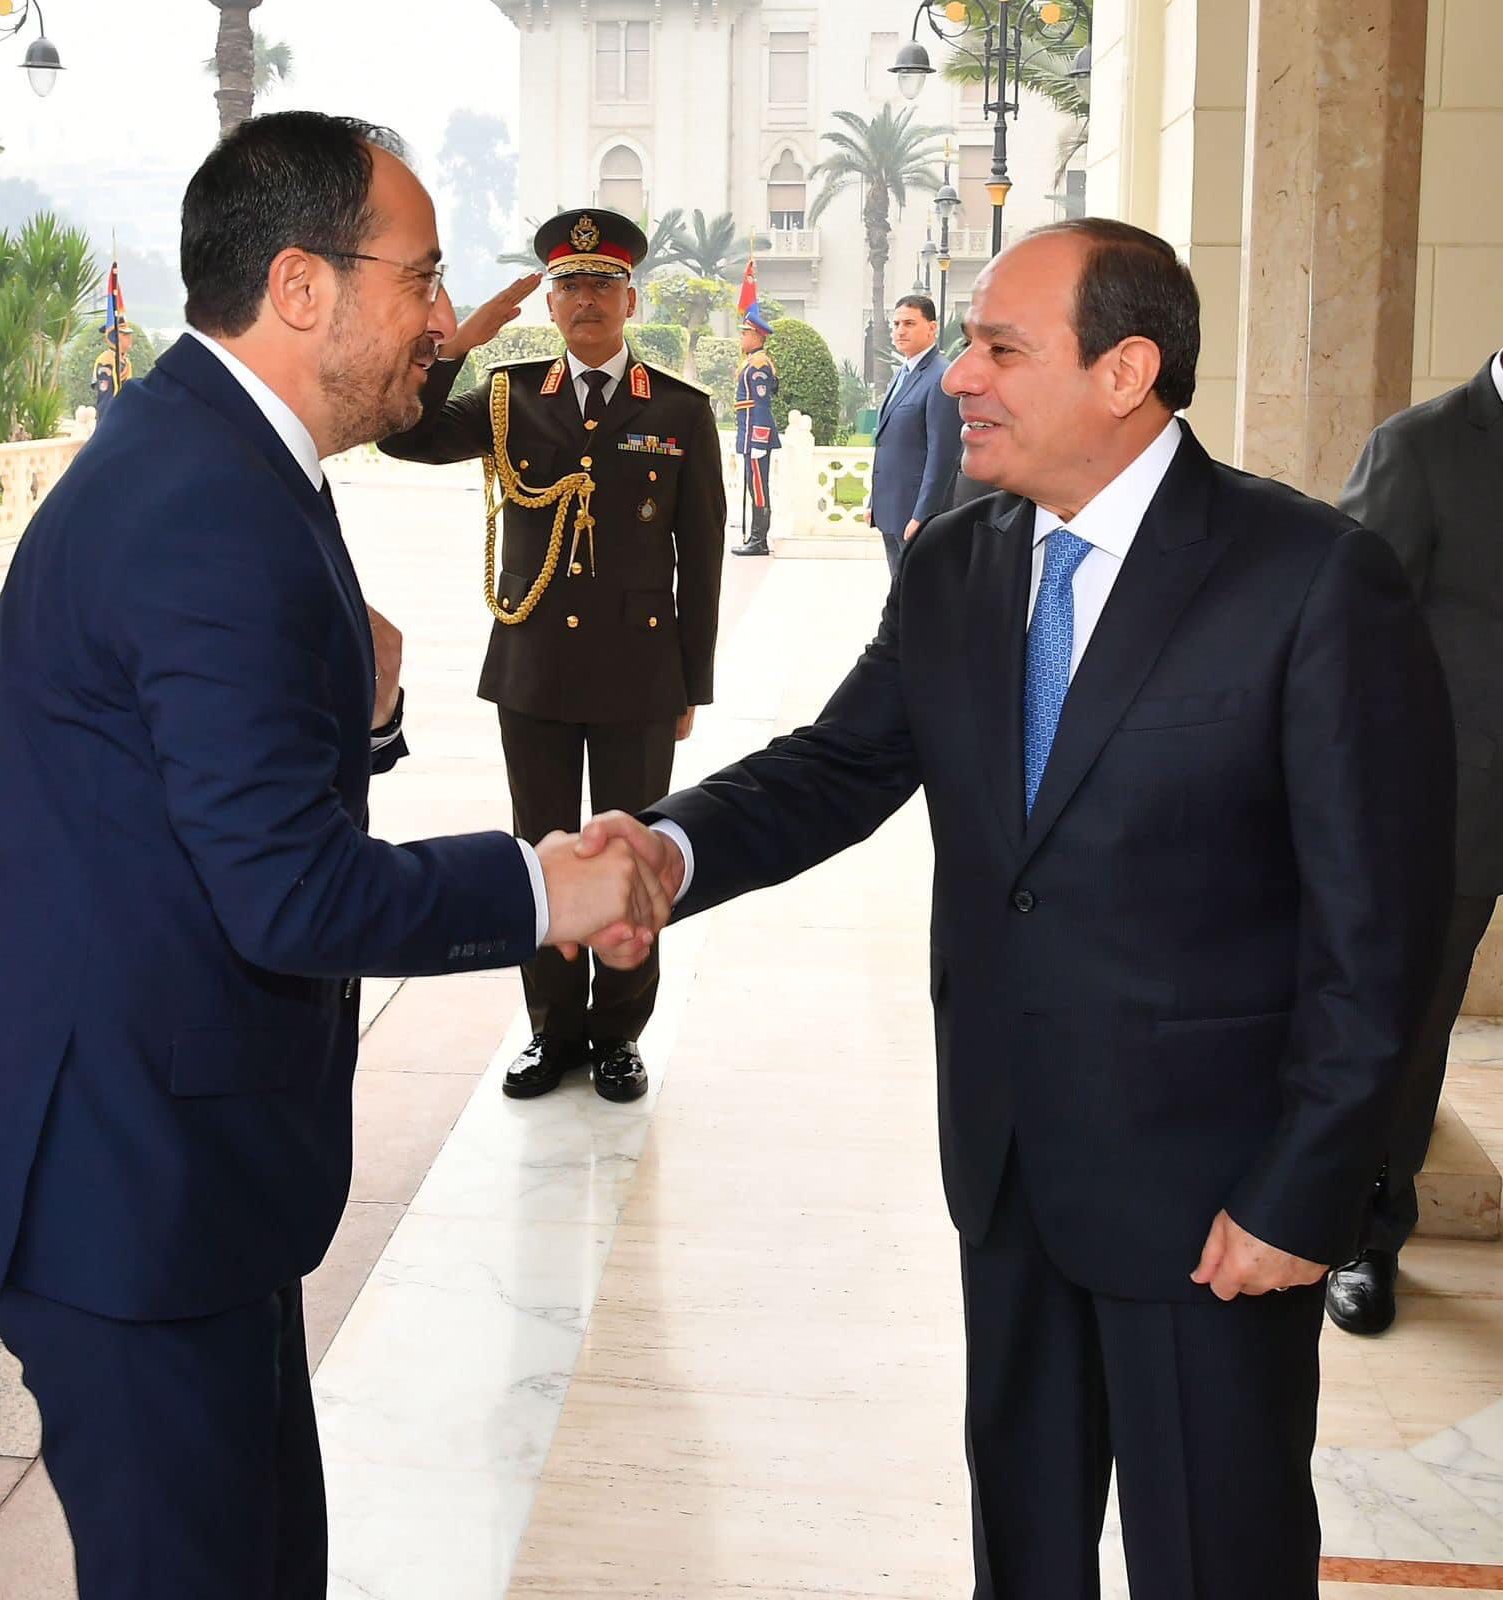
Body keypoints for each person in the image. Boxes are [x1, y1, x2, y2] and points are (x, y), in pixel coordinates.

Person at [581, 218, 1455, 1598]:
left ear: (1125, 372)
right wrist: (668, 851)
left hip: (1214, 1205)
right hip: (1007, 1168)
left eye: (1000, 347)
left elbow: (1382, 934)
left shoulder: (1308, 577)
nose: (959, 378)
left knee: (1213, 1559)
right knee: (1025, 1553)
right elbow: (837, 767)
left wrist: (1305, 1191)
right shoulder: (958, 561)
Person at [0, 113, 666, 1600]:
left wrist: (361, 715)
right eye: (423, 277)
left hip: (181, 1155)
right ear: (302, 285)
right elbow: (287, 893)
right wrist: (546, 885)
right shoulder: (205, 501)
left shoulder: (225, 455)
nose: (446, 321)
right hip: (124, 1182)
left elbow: (179, 782)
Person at [381, 207, 725, 1105]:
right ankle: (552, 1031)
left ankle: (618, 1036)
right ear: (550, 303)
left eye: (603, 284)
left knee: (631, 851)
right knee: (540, 853)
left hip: (639, 677)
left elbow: (701, 559)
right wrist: (458, 345)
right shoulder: (510, 397)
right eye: (569, 285)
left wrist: (692, 683)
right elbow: (404, 433)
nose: (586, 300)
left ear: (630, 300)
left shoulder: (678, 410)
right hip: (533, 668)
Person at [1328, 346, 1503, 1335]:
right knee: (1411, 1027)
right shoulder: (1422, 448)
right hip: (1450, 810)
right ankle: (1366, 1236)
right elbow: (1347, 637)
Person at [867, 293, 963, 577]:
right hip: (891, 509)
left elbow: (942, 455)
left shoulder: (940, 377)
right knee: (899, 590)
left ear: (932, 328)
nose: (900, 331)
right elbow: (889, 442)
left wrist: (923, 515)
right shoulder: (902, 373)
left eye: (909, 323)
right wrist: (874, 501)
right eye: (896, 324)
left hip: (916, 515)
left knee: (919, 591)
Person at [732, 306, 781, 556]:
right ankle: (755, 537)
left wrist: (759, 441)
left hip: (756, 435)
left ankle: (759, 539)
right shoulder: (751, 363)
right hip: (748, 434)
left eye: (745, 334)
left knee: (759, 488)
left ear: (757, 337)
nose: (742, 338)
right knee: (754, 487)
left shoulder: (759, 365)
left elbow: (761, 405)